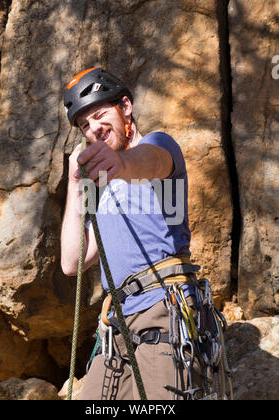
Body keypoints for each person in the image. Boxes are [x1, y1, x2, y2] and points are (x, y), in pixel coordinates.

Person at [61, 67, 203, 400]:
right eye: (85, 125)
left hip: (162, 310)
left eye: (99, 115)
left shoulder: (157, 147)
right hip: (118, 324)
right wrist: (74, 186)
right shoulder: (101, 186)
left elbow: (152, 161)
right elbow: (71, 262)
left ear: (125, 106)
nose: (94, 127)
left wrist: (120, 164)